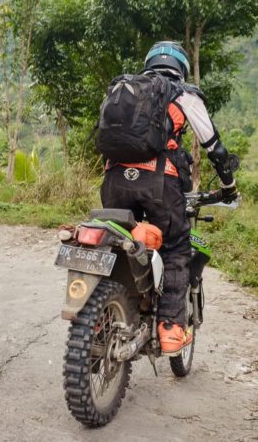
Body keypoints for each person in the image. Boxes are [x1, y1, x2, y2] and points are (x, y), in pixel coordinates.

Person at [100, 41, 238, 354]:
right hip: (159, 184)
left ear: (149, 63)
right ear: (181, 68)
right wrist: (229, 186)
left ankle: (109, 310)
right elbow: (214, 147)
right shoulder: (183, 93)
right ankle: (170, 327)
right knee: (176, 246)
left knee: (118, 241)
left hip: (113, 181)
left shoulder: (125, 89)